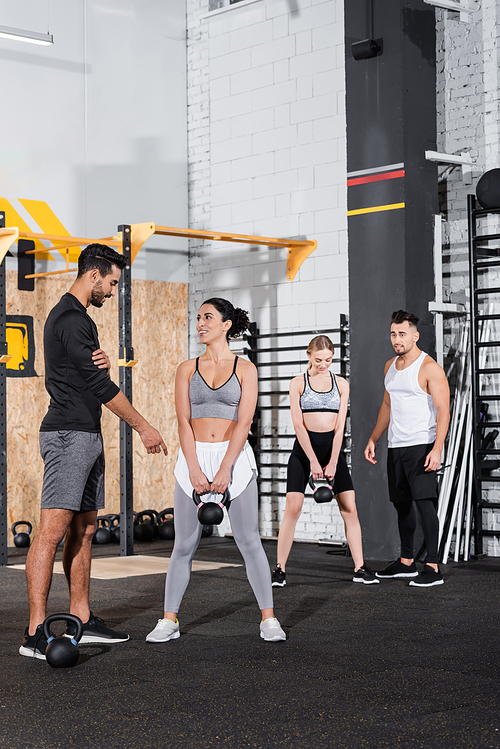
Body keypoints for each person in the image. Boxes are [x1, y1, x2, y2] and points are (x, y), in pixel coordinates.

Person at [20, 244, 168, 660]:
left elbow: (89, 375)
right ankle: (34, 633)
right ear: (93, 275)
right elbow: (101, 389)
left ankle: (80, 618)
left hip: (85, 435)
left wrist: (100, 364)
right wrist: (144, 427)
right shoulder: (70, 319)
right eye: (113, 283)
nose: (113, 291)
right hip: (68, 435)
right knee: (50, 533)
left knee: (84, 529)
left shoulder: (79, 321)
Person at [146, 297, 286, 644]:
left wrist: (226, 469)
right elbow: (182, 420)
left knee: (249, 540)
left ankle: (268, 618)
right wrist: (193, 468)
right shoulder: (186, 368)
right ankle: (169, 619)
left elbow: (245, 420)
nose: (200, 324)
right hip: (193, 457)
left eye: (207, 317)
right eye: (197, 318)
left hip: (234, 458)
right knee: (184, 544)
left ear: (226, 325)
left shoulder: (245, 368)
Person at [271, 335, 378, 587]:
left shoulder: (341, 383)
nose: (323, 364)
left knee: (349, 508)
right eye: (319, 359)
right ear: (309, 355)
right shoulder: (298, 383)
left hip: (332, 451)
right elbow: (298, 424)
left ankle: (360, 567)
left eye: (328, 360)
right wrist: (312, 461)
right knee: (293, 508)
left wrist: (332, 461)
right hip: (303, 451)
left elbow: (340, 426)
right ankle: (280, 570)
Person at [364, 310, 450, 587]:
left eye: (402, 334)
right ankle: (406, 562)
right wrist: (374, 438)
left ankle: (433, 566)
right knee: (401, 504)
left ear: (415, 335)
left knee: (425, 505)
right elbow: (387, 406)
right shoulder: (390, 365)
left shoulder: (429, 368)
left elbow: (443, 411)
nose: (396, 339)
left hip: (421, 444)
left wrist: (437, 449)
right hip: (396, 446)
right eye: (393, 334)